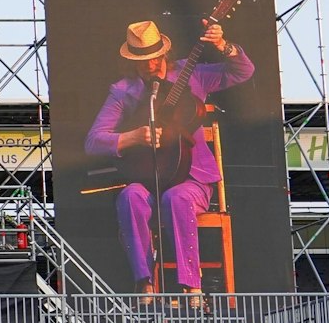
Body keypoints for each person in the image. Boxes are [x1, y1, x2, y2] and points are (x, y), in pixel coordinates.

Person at [84, 17, 252, 296]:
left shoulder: (191, 73)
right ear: (132, 61)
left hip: (192, 179)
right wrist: (133, 137)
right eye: (142, 60)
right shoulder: (123, 91)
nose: (150, 65)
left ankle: (191, 287)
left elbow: (242, 71)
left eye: (154, 57)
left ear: (165, 52)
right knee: (129, 197)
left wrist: (223, 45)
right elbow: (93, 141)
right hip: (149, 179)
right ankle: (145, 283)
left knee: (177, 197)